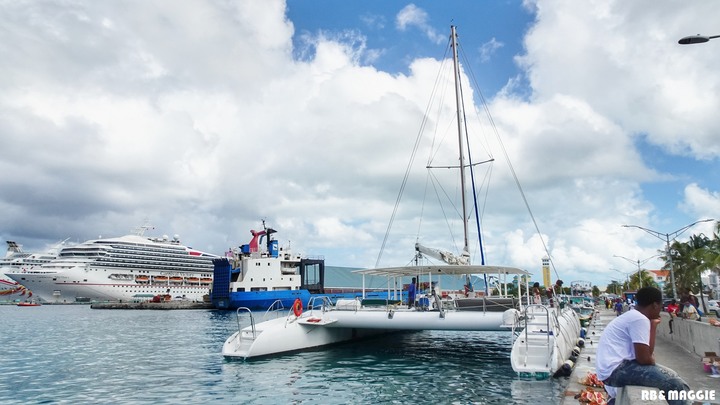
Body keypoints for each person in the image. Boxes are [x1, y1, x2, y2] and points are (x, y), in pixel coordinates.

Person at [596, 287, 690, 405]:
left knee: (672, 375)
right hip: (615, 371)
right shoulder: (639, 319)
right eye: (660, 307)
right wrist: (650, 360)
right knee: (675, 384)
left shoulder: (634, 316)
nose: (660, 311)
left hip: (612, 370)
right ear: (655, 305)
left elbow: (647, 355)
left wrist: (653, 326)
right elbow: (644, 359)